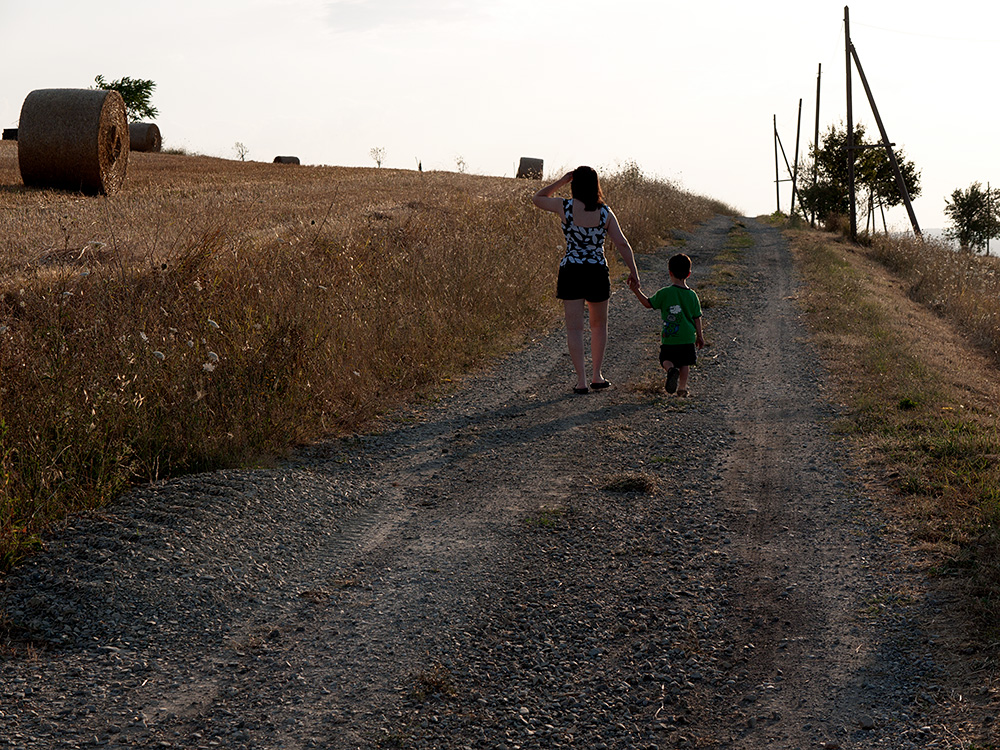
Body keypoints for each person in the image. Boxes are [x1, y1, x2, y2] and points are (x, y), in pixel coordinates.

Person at [532, 166, 640, 394]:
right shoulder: (605, 213)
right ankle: (597, 376)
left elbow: (538, 198)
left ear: (574, 185)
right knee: (599, 326)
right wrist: (634, 272)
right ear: (595, 185)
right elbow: (622, 243)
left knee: (574, 329)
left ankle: (581, 381)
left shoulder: (565, 207)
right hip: (596, 270)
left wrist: (561, 180)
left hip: (571, 270)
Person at [629, 253, 704, 397]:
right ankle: (682, 388)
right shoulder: (692, 295)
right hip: (687, 337)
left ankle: (670, 370)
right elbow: (697, 317)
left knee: (665, 359)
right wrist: (699, 336)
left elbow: (648, 303)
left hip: (670, 337)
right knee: (685, 363)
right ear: (689, 274)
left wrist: (635, 290)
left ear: (670, 272)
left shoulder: (665, 293)